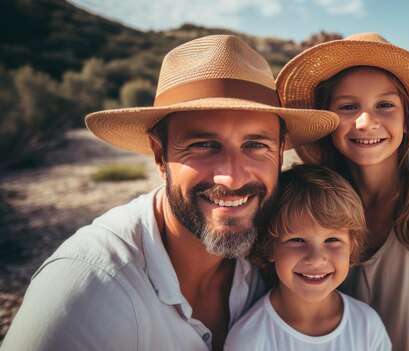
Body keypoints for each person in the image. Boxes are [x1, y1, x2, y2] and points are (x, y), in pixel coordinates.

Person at [1, 35, 338, 351]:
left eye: (256, 145)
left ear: (280, 152)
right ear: (160, 156)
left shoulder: (274, 251)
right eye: (204, 145)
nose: (233, 178)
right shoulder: (89, 287)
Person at [276, 32, 409, 351]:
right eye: (348, 106)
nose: (365, 121)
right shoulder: (310, 195)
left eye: (384, 105)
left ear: (407, 121)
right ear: (328, 120)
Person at [224, 164, 391, 350]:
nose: (316, 258)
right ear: (270, 246)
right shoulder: (249, 339)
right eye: (297, 240)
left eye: (332, 240)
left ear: (352, 247)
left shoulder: (367, 326)